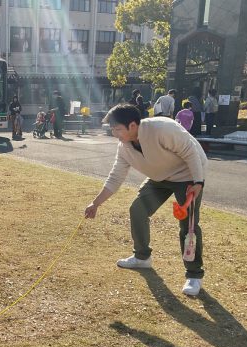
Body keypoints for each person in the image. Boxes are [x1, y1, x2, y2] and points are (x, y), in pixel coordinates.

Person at [84, 104, 208, 296]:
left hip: (188, 175)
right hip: (159, 177)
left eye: (118, 129)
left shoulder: (162, 129)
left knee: (188, 224)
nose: (114, 134)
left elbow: (191, 152)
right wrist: (96, 203)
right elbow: (115, 177)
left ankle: (194, 275)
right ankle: (142, 257)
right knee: (138, 210)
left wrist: (198, 182)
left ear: (132, 125)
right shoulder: (124, 147)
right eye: (112, 129)